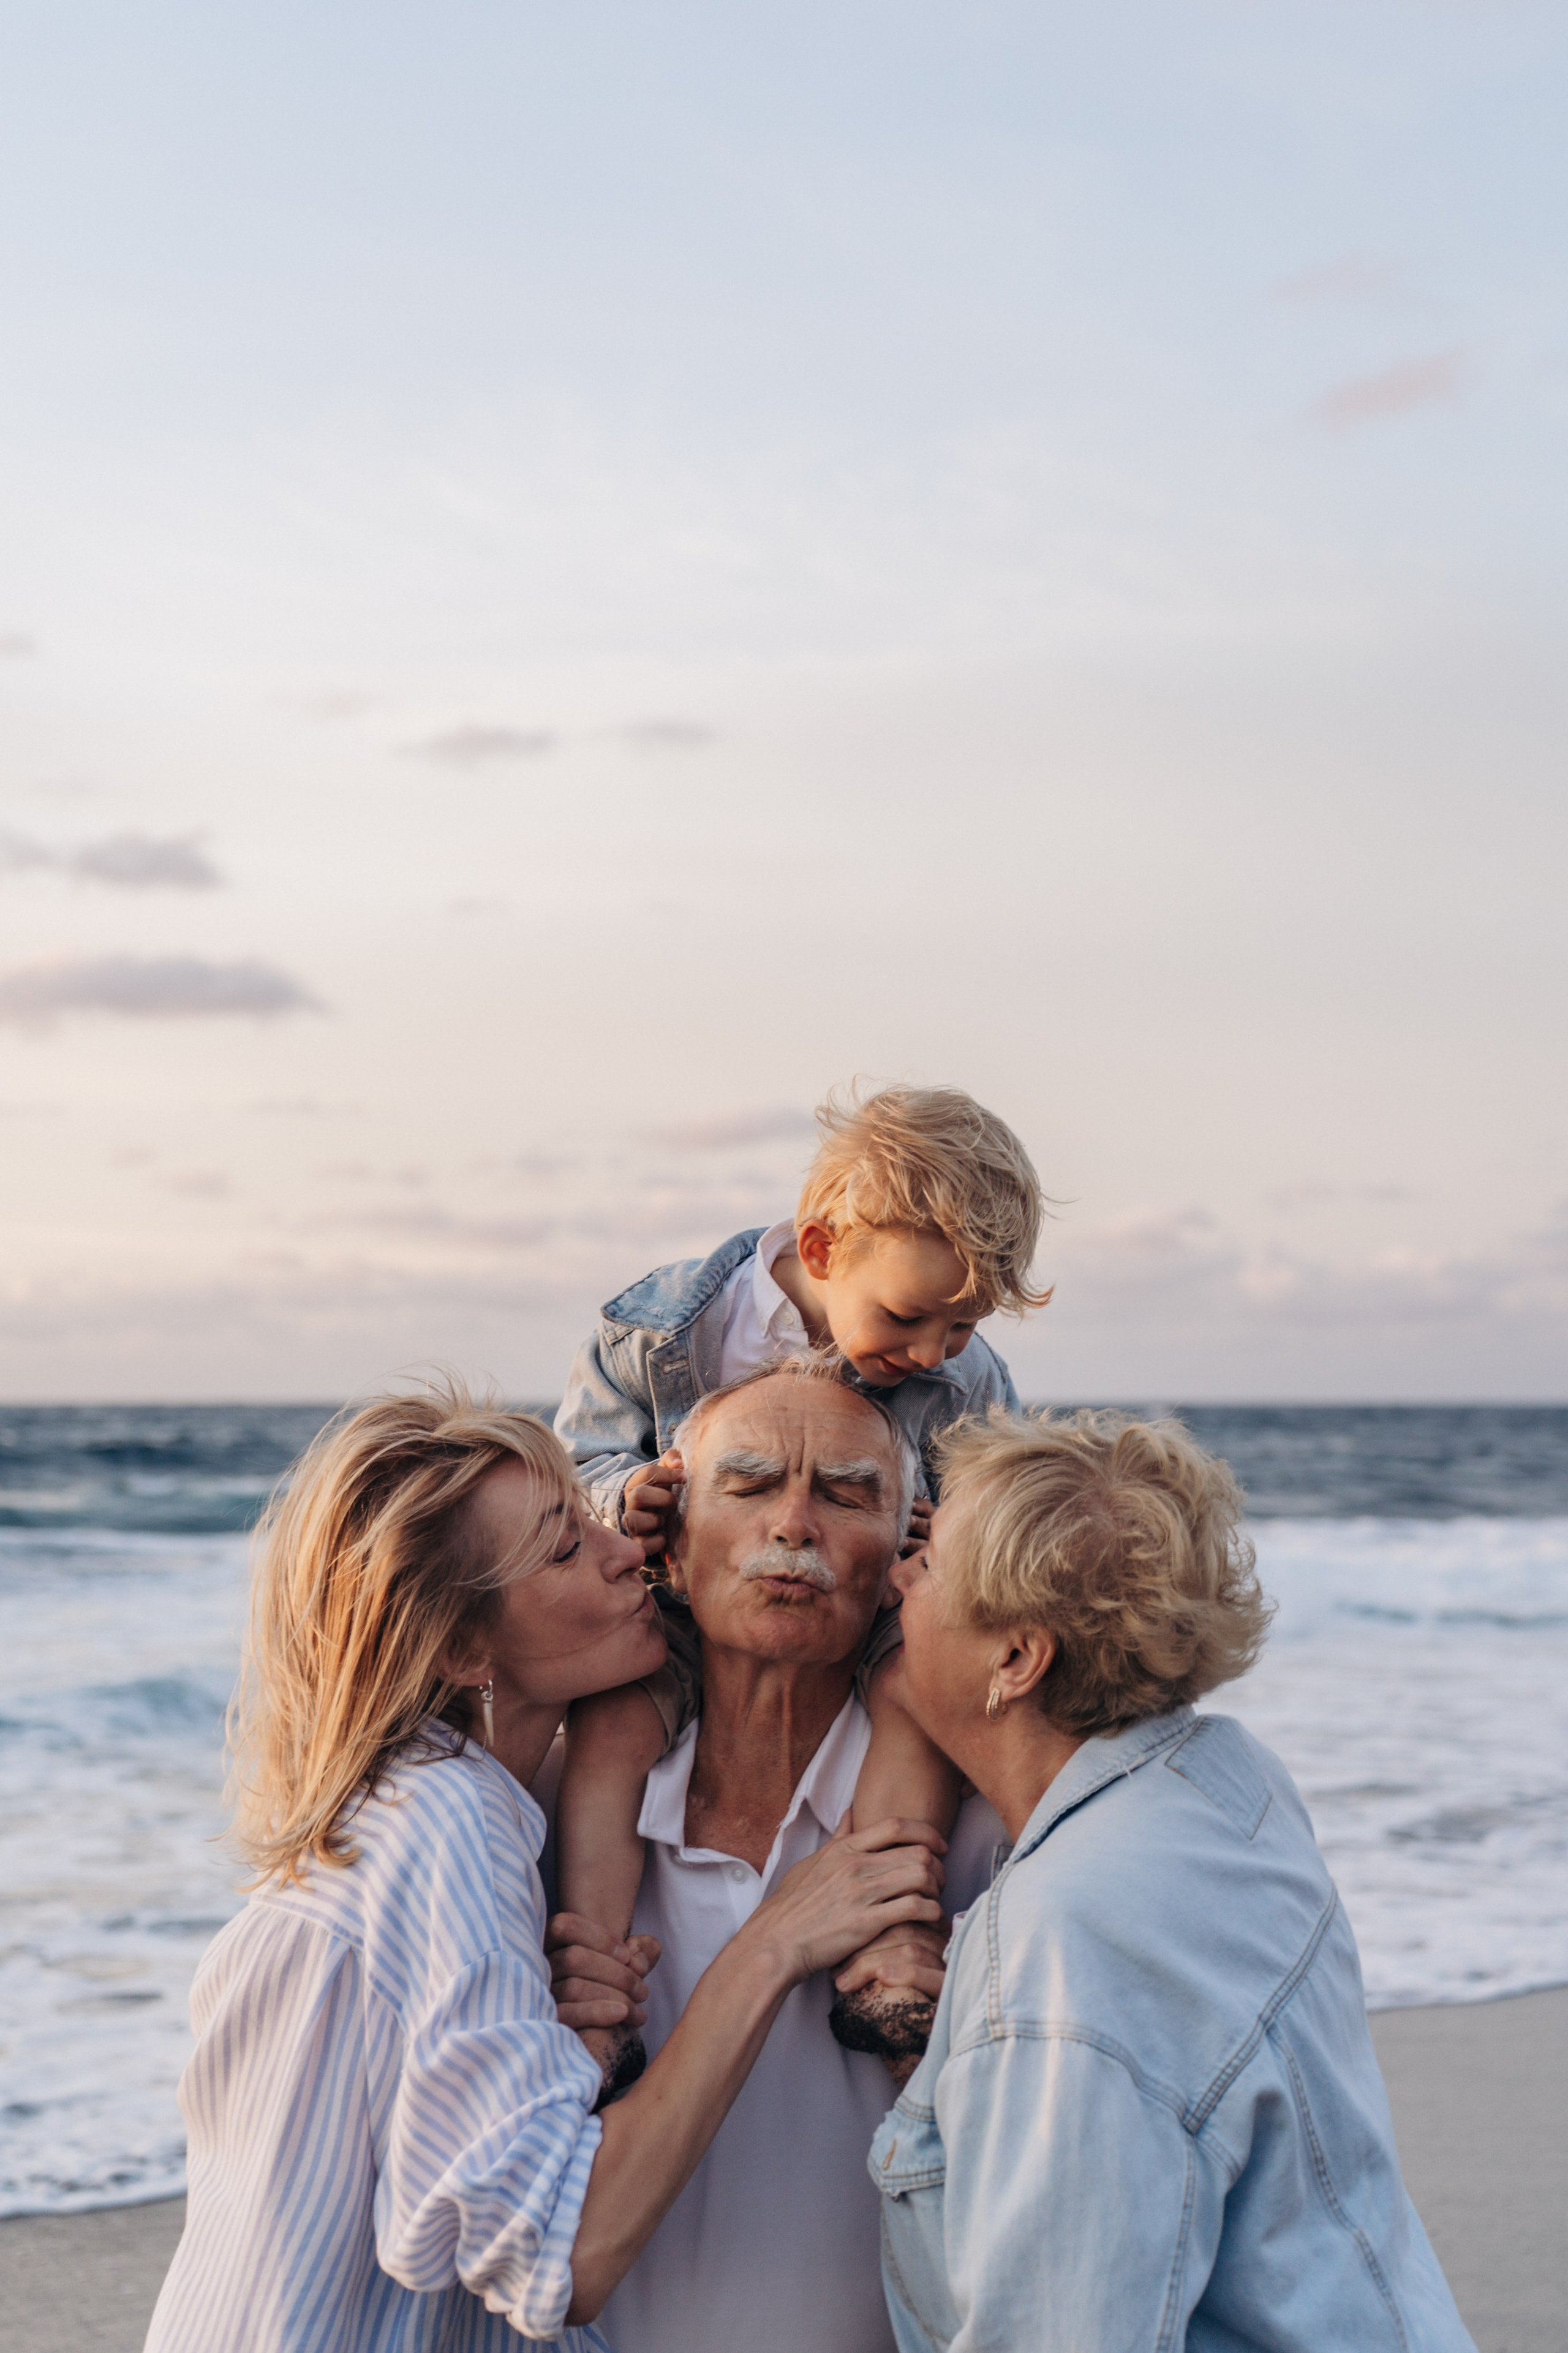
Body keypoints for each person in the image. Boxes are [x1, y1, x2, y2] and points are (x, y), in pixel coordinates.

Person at [143, 1385, 944, 2353]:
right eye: (567, 1546)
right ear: (460, 1646)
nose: (626, 1548)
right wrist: (773, 1938)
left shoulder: (469, 1819)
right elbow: (556, 2254)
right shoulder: (438, 1828)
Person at [872, 1408, 1478, 2353]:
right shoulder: (1233, 1782)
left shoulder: (1063, 1939)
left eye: (932, 1560)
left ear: (1017, 1657)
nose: (900, 1574)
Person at [552, 1083, 1047, 2060]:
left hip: (862, 1608)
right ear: (821, 1251)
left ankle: (895, 1934)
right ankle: (598, 1965)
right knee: (612, 1719)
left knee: (910, 1695)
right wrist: (628, 1498)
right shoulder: (663, 1331)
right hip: (687, 1603)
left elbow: (1000, 1505)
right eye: (909, 1319)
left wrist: (942, 1533)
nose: (932, 1352)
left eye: (959, 1330)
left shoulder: (965, 1377)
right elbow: (574, 1461)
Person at [548, 1356, 1009, 2353]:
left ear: (906, 1551)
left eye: (847, 1494)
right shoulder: (545, 1822)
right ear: (666, 1540)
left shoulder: (978, 1832)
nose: (793, 1523)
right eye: (750, 1485)